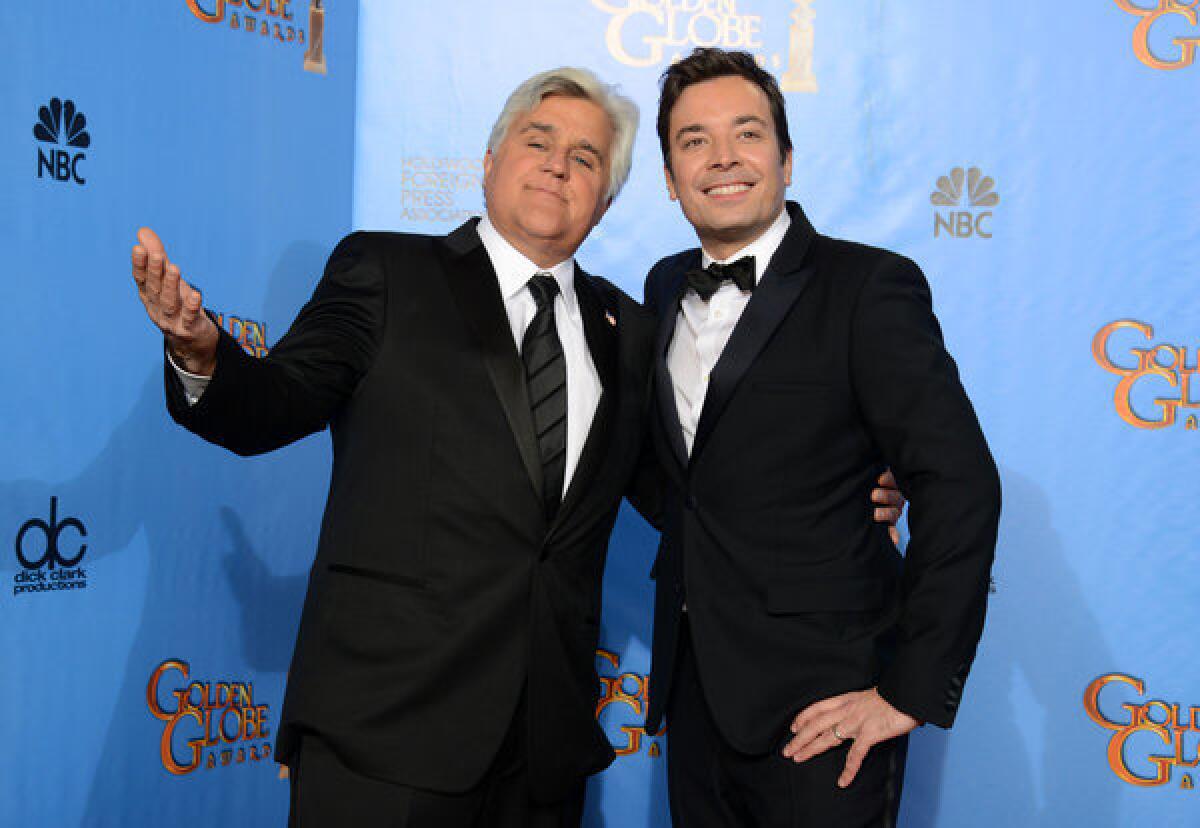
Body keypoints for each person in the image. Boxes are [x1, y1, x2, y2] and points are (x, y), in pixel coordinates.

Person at [130, 65, 903, 827]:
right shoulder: (386, 272)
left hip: (545, 751)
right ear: (491, 161)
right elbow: (270, 406)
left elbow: (692, 499)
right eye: (538, 142)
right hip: (383, 735)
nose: (559, 165)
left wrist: (839, 486)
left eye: (587, 157)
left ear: (606, 200)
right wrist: (203, 355)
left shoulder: (630, 330)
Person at [641, 49, 1002, 827]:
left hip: (827, 701)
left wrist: (910, 688)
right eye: (693, 140)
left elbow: (960, 482)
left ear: (787, 158)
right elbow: (690, 480)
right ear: (670, 177)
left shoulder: (869, 286)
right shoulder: (663, 286)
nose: (724, 158)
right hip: (696, 697)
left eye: (748, 133)